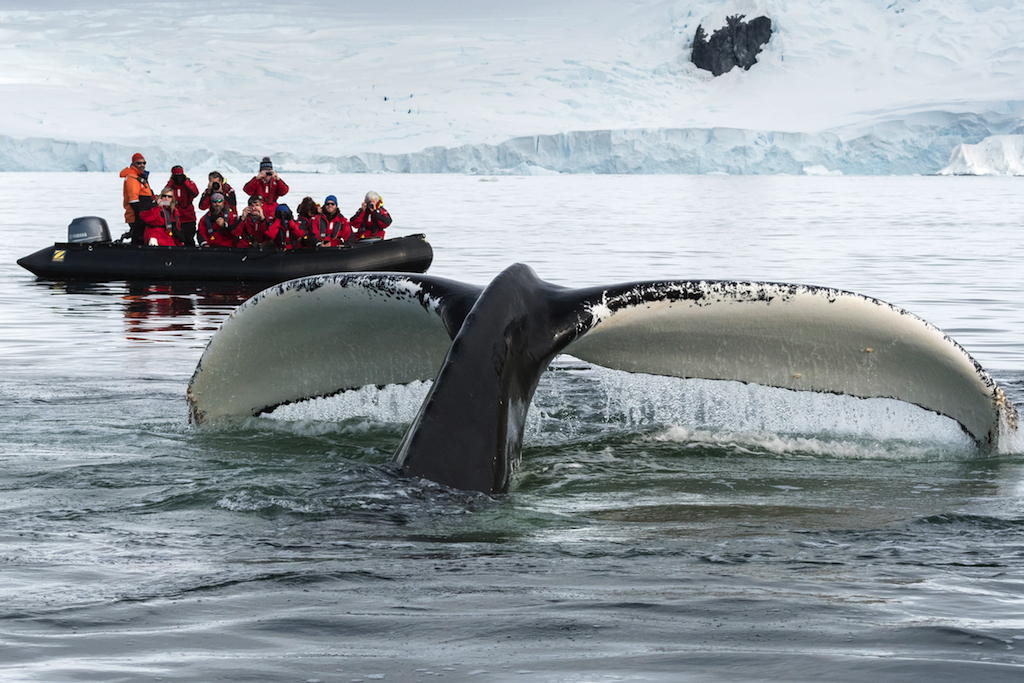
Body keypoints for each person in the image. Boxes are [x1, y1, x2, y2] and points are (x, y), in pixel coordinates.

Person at [120, 152, 154, 245]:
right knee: (139, 239)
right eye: (139, 163)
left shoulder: (139, 177)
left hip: (143, 213)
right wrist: (141, 215)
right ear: (133, 164)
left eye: (144, 163)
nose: (142, 165)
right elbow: (133, 199)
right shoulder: (132, 178)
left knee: (142, 237)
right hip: (136, 216)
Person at [166, 165, 200, 246]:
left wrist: (185, 181)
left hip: (188, 218)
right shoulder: (171, 186)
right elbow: (164, 196)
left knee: (189, 240)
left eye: (180, 175)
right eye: (176, 176)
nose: (178, 178)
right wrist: (172, 181)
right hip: (174, 218)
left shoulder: (189, 184)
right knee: (175, 240)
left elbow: (195, 193)